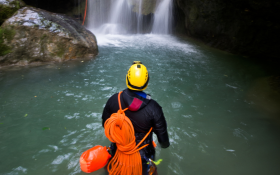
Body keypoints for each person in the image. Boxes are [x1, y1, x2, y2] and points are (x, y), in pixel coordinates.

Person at [102, 61, 170, 175]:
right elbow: (163, 140)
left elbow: (105, 124)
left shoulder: (114, 99)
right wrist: (164, 145)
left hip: (118, 151)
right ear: (146, 82)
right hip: (142, 157)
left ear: (127, 79)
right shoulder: (154, 108)